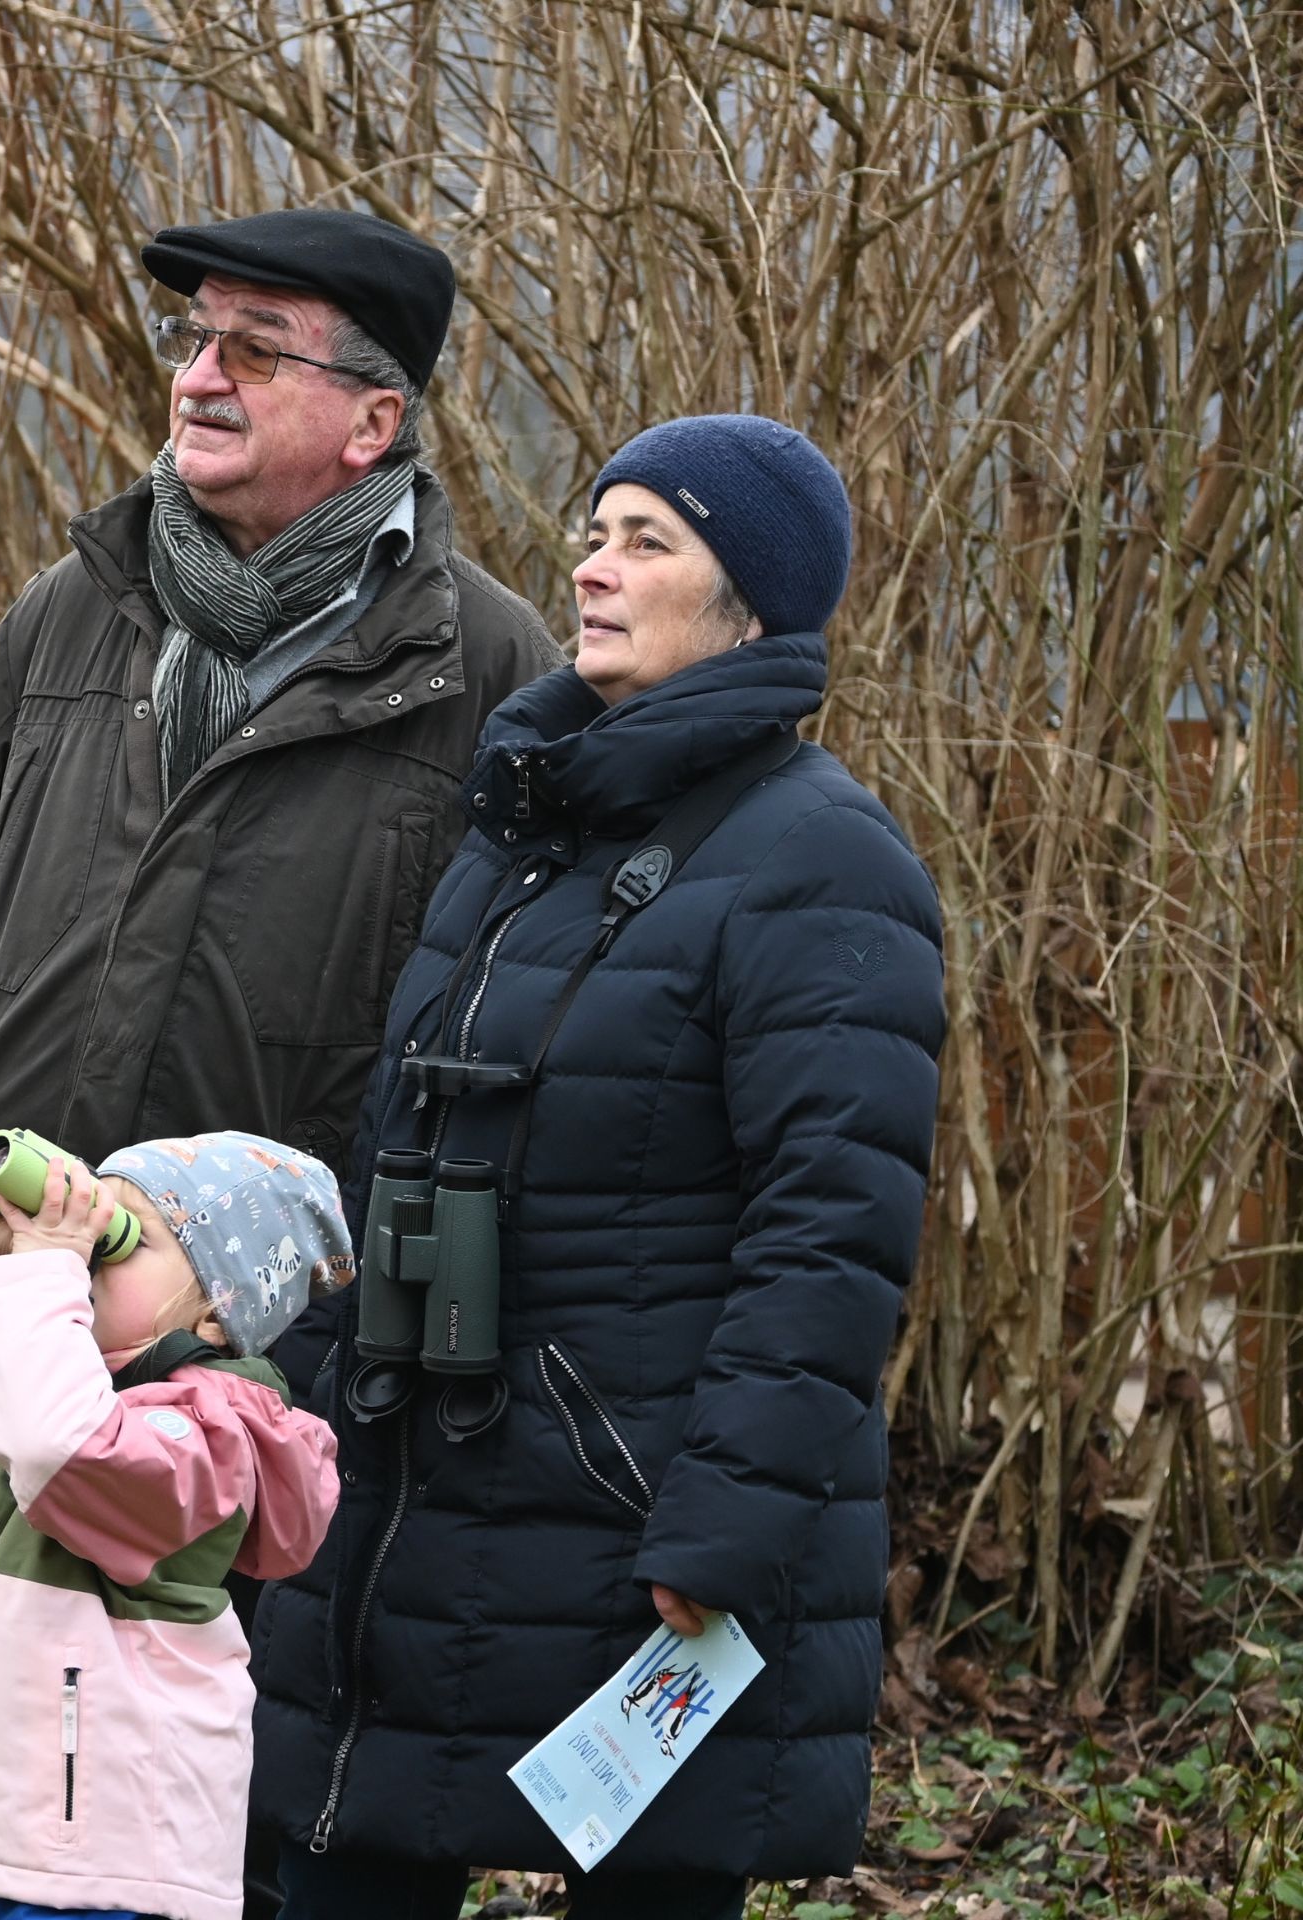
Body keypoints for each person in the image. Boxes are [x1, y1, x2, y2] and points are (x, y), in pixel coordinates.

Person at [0, 208, 563, 1917]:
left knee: (236, 1844)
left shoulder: (492, 670)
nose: (199, 373)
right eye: (195, 339)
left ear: (374, 418)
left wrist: (371, 1314)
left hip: (260, 1374)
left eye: (255, 345)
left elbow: (512, 1035)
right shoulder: (70, 610)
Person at [250, 416, 946, 1918]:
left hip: (645, 1530)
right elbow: (396, 1149)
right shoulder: (523, 831)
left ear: (750, 602)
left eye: (650, 541)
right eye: (596, 528)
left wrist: (725, 1530)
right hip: (416, 1502)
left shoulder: (826, 860)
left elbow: (832, 1233)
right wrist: (296, 1414)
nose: (594, 566)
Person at [0, 1133, 347, 1920]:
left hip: (113, 1850)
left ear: (216, 1312)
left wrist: (43, 1264)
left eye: (123, 1239)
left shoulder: (208, 1433)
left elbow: (63, 1447)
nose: (86, 1249)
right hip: (5, 1824)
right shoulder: (38, 1379)